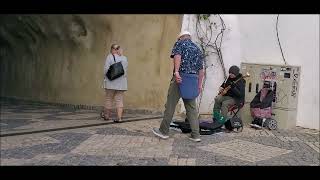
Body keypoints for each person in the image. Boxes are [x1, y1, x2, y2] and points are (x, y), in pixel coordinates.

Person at [152, 30, 205, 142]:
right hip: (193, 80)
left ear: (180, 37)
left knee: (170, 105)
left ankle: (163, 131)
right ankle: (196, 135)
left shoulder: (180, 43)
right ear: (189, 37)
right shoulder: (197, 49)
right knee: (191, 109)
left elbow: (177, 56)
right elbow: (201, 70)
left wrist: (176, 72)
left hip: (180, 78)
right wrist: (199, 85)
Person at [101, 44, 128, 123]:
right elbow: (125, 71)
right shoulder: (124, 58)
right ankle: (119, 118)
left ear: (112, 49)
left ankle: (106, 116)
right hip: (121, 83)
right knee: (119, 100)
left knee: (109, 98)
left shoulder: (109, 56)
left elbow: (106, 70)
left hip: (111, 82)